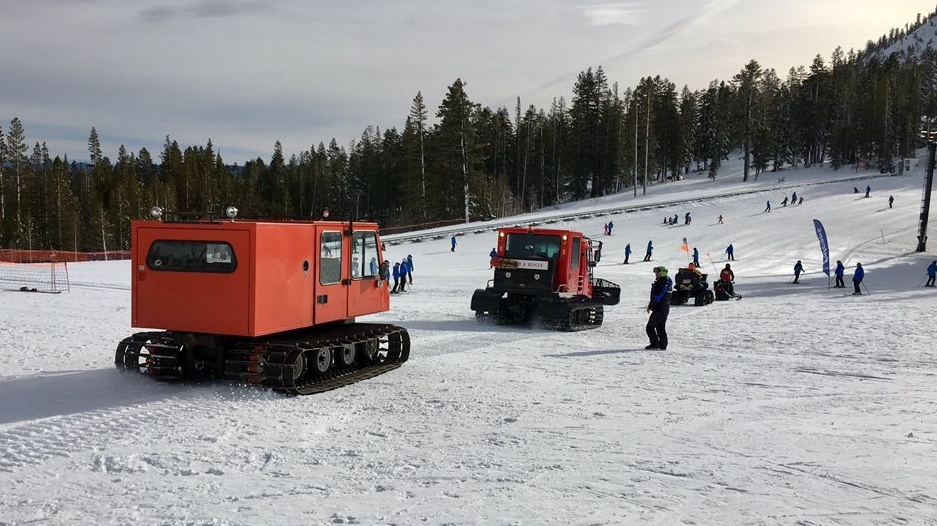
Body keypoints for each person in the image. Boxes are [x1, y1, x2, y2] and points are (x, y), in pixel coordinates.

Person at [645, 266, 672, 350]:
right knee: (660, 327)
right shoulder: (665, 282)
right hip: (664, 309)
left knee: (650, 327)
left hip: (660, 309)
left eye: (657, 273)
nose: (655, 275)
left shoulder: (662, 283)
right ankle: (663, 345)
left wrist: (650, 306)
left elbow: (657, 297)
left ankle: (655, 344)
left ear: (661, 273)